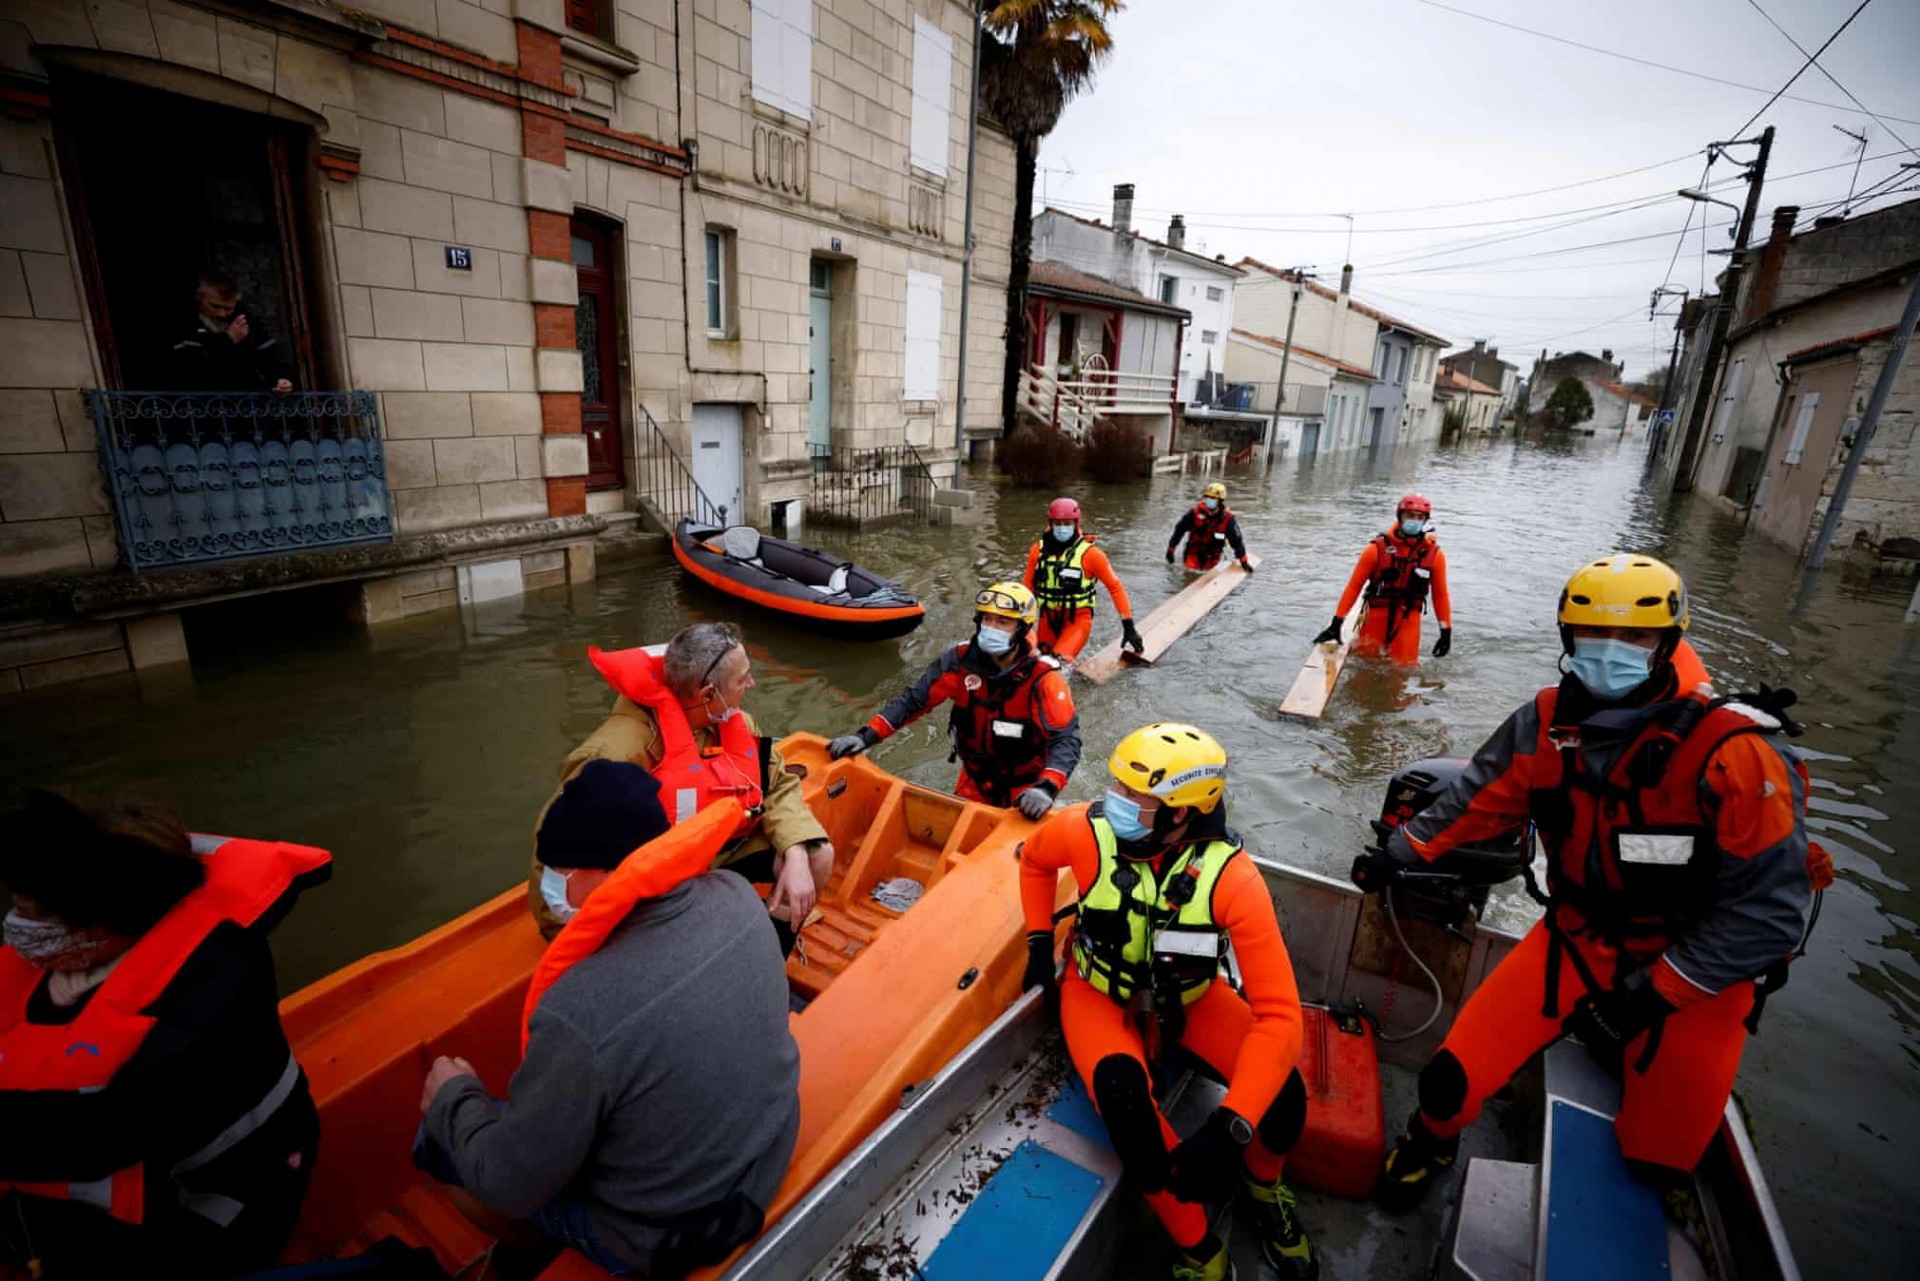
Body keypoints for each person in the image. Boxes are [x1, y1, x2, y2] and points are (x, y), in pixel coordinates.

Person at [1353, 555, 1818, 1211]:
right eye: (1594, 634)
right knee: (1447, 1082)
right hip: (1576, 939)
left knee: (1658, 1161)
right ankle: (1429, 1143)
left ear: (1669, 642)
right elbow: (1476, 798)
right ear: (1570, 639)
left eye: (1635, 637)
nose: (1612, 650)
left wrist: (1645, 998)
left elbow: (1766, 921)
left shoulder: (1739, 753)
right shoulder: (1546, 722)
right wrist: (1396, 851)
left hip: (1696, 978)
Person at [420, 762, 800, 1279]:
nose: (551, 883)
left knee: (439, 1141)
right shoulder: (735, 895)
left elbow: (506, 1182)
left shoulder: (577, 1010)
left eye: (559, 870)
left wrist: (453, 1099)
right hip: (766, 1156)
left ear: (599, 874)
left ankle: (536, 1249)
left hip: (670, 1235)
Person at [1019, 725, 1317, 1281]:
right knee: (1126, 1108)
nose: (1118, 803)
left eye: (1137, 798)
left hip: (1193, 1000)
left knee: (1284, 1099)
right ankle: (1201, 1251)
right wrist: (1039, 943)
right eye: (1118, 787)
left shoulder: (1233, 880)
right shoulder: (1087, 831)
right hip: (1097, 995)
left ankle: (1263, 1184)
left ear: (1182, 814)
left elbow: (1280, 1017)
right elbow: (1034, 861)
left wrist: (1232, 1126)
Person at [0, 788, 329, 1278]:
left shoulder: (219, 979)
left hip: (221, 1200)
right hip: (93, 1190)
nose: (20, 928)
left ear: (108, 915)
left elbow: (108, 1131)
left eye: (36, 916)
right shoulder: (60, 961)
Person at [529, 622, 833, 950]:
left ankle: (773, 945)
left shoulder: (735, 721)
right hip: (659, 880)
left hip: (720, 852)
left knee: (819, 856)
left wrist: (797, 853)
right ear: (707, 695)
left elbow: (778, 783)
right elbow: (554, 856)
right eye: (742, 678)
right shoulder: (615, 754)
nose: (751, 684)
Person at [826, 583, 1080, 820]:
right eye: (987, 619)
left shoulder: (1044, 678)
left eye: (1003, 622)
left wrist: (1046, 788)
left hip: (1026, 788)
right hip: (975, 780)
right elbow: (914, 701)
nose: (992, 627)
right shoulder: (960, 660)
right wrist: (865, 736)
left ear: (1023, 629)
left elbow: (1066, 739)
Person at [1312, 492, 1452, 665]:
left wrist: (1445, 631)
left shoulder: (1434, 555)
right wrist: (1337, 622)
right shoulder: (1376, 549)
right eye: (1410, 515)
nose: (1414, 520)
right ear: (1400, 516)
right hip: (1375, 618)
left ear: (1425, 520)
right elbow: (1354, 587)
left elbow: (1440, 596)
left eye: (1419, 517)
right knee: (1363, 670)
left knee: (1403, 672)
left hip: (1408, 621)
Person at [1023, 496, 1143, 662]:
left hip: (1077, 619)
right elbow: (1027, 588)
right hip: (1047, 619)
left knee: (1057, 664)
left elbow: (1115, 588)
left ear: (1076, 523)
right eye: (1057, 523)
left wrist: (1128, 627)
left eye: (1067, 523)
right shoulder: (1037, 551)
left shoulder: (1092, 555)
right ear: (1050, 524)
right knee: (1036, 664)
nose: (1061, 528)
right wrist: (1020, 623)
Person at [168, 272, 294, 394]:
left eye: (228, 308)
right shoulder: (186, 325)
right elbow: (190, 368)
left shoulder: (246, 322)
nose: (222, 314)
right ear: (200, 298)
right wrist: (228, 340)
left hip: (248, 403)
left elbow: (270, 356)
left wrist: (281, 381)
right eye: (215, 306)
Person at [1165, 482, 1252, 574]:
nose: (1209, 500)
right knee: (1189, 574)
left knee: (1211, 576)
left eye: (1213, 498)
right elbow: (1179, 530)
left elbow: (1237, 541)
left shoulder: (1228, 519)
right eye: (1207, 497)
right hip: (1193, 552)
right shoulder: (1194, 513)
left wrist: (1244, 561)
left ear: (1220, 500)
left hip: (1213, 556)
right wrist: (1171, 550)